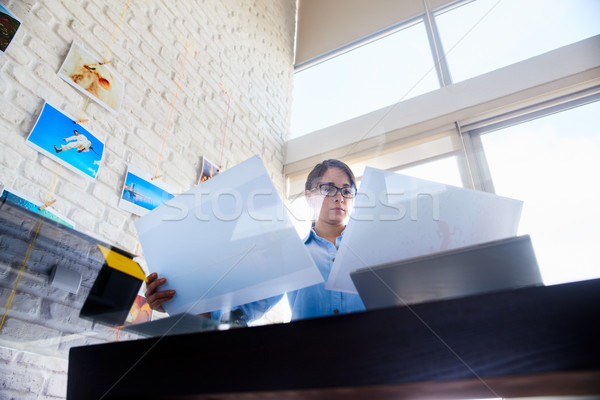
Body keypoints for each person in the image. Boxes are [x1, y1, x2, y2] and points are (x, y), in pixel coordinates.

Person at [145, 159, 365, 323]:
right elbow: (236, 313)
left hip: (375, 359)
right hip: (307, 364)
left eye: (347, 191)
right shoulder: (289, 254)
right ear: (308, 197)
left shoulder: (371, 250)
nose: (339, 197)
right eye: (328, 189)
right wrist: (175, 302)